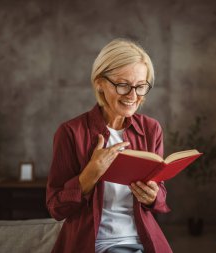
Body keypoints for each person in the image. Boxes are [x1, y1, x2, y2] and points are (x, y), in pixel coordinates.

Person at [46, 38, 173, 253]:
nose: (133, 96)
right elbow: (56, 208)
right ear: (99, 82)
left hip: (144, 241)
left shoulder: (151, 130)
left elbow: (160, 199)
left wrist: (153, 196)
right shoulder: (70, 133)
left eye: (141, 86)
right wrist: (89, 175)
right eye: (123, 85)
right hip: (96, 244)